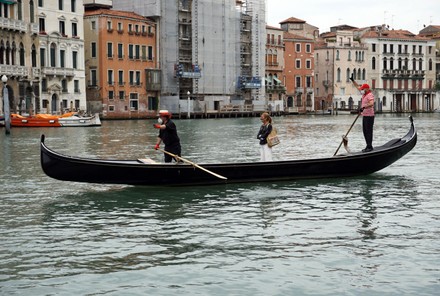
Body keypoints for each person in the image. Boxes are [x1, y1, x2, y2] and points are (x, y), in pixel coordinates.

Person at [351, 75, 375, 152]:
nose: (361, 90)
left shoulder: (370, 95)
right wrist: (353, 80)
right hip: (365, 115)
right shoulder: (364, 94)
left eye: (363, 89)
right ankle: (367, 145)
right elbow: (357, 86)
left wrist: (364, 107)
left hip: (370, 116)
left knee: (368, 131)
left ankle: (370, 146)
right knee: (365, 131)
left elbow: (371, 103)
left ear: (367, 89)